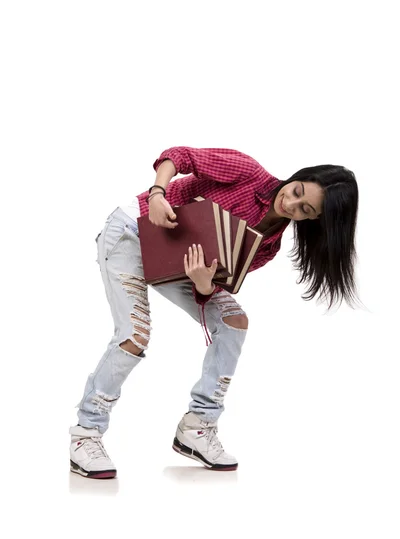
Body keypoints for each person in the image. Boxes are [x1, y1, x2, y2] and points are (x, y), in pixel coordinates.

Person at [69, 146, 359, 478]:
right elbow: (178, 156)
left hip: (175, 264)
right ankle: (85, 435)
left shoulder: (267, 245)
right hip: (133, 231)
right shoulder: (247, 172)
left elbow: (208, 289)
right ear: (300, 177)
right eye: (296, 192)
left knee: (234, 321)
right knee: (135, 334)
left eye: (304, 210)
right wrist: (157, 195)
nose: (290, 204)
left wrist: (203, 284)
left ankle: (197, 427)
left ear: (315, 219)